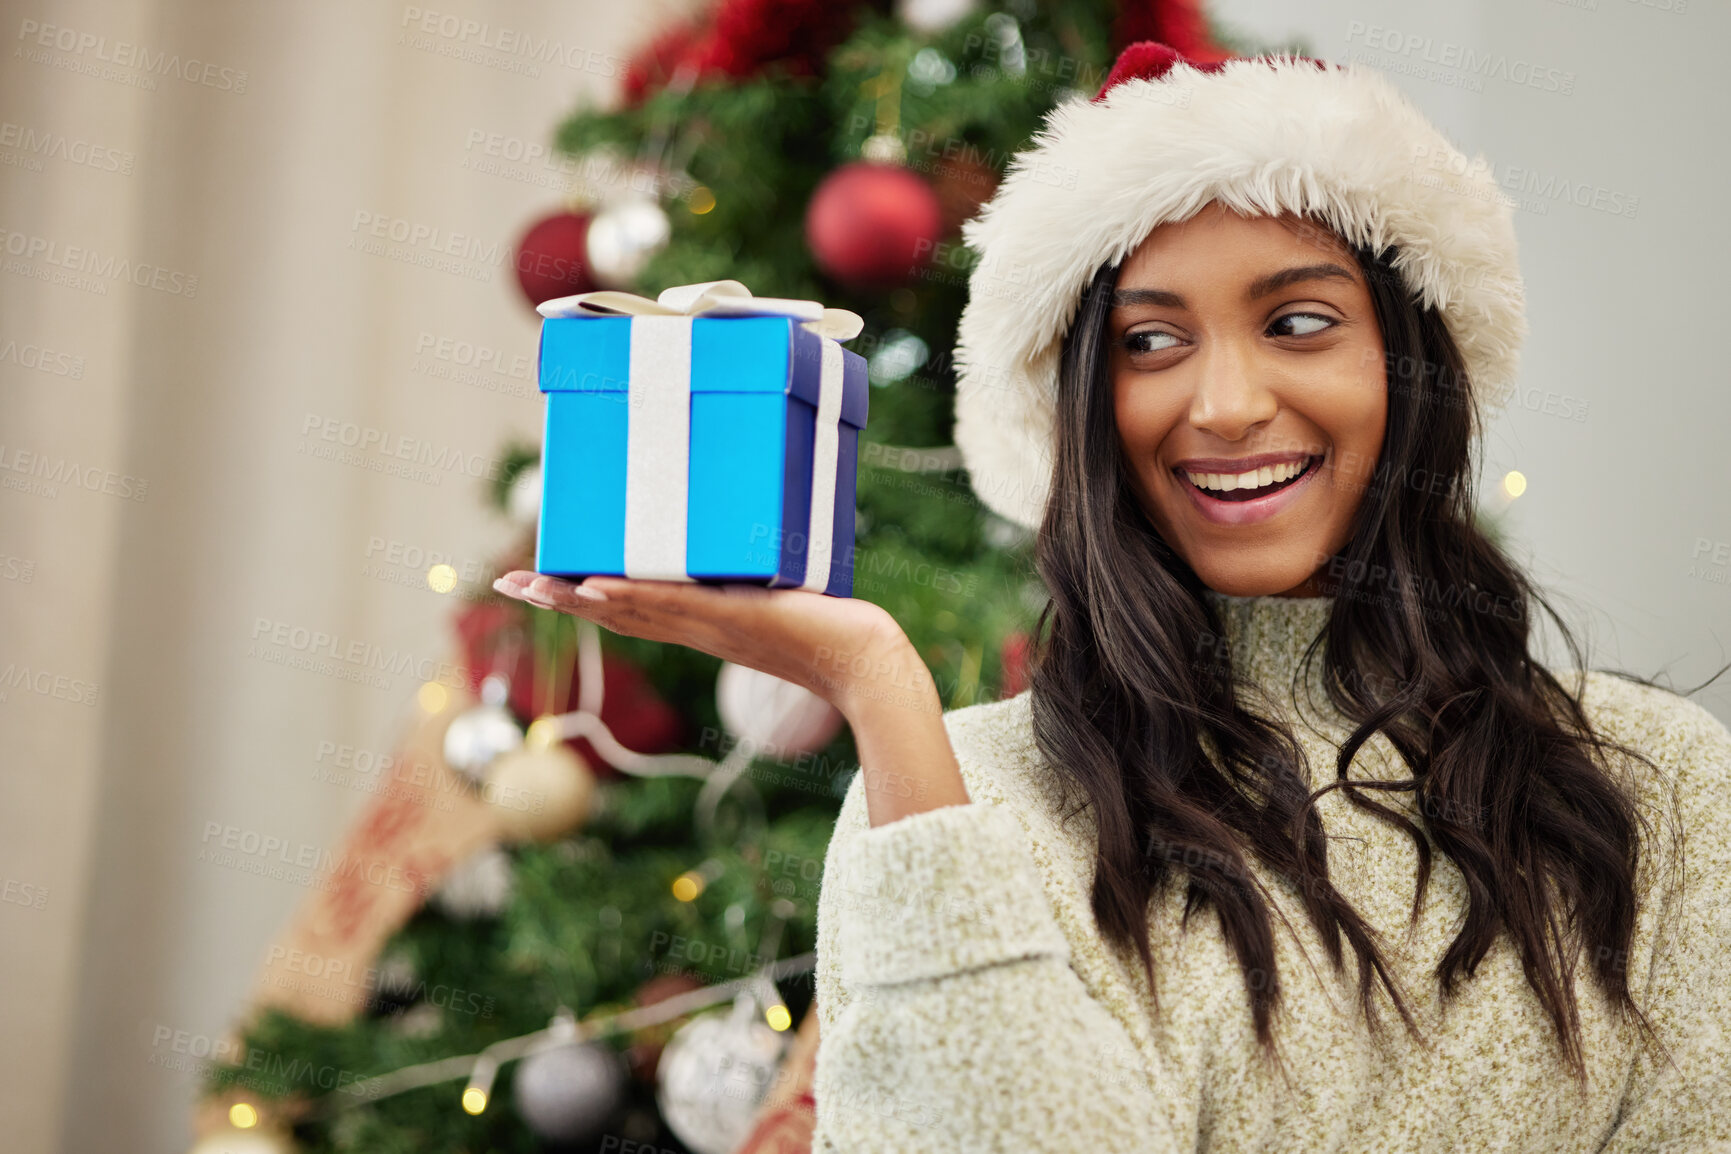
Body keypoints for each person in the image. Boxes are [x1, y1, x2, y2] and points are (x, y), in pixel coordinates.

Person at [493, 42, 1731, 1153]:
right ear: (1082, 408)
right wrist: (877, 685)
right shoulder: (950, 796)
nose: (1228, 402)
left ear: (1413, 373)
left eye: (1298, 322)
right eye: (1149, 343)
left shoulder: (1665, 784)